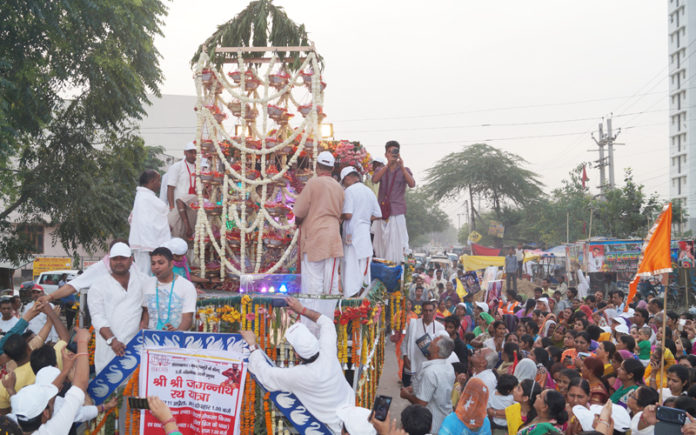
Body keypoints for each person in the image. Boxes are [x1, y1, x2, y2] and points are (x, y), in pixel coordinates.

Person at [241, 297, 354, 434]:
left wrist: (252, 346)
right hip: (352, 415)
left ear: (296, 354)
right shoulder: (327, 351)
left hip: (333, 429)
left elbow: (266, 375)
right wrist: (302, 310)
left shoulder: (300, 375)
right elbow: (327, 322)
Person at [11, 328, 90, 434]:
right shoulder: (54, 428)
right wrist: (82, 342)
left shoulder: (27, 399)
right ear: (45, 414)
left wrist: (10, 389)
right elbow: (87, 405)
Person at [87, 242, 147, 373]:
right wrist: (112, 340)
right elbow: (97, 317)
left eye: (123, 258)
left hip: (135, 351)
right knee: (110, 392)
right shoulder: (98, 285)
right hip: (108, 351)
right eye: (115, 259)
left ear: (131, 260)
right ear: (109, 260)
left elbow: (147, 308)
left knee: (134, 391)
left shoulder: (142, 281)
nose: (119, 262)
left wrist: (144, 330)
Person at [293, 151, 344, 295]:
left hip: (315, 238)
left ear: (316, 167)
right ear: (332, 169)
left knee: (313, 281)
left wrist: (299, 222)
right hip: (333, 238)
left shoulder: (313, 183)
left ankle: (312, 315)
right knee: (331, 282)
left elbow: (299, 212)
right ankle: (329, 316)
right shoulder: (338, 187)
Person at [339, 166, 381, 297]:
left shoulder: (349, 191)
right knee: (363, 269)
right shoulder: (369, 192)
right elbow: (378, 214)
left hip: (352, 235)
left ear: (347, 178)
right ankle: (362, 300)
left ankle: (351, 300)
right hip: (364, 235)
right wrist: (364, 219)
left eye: (344, 182)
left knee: (350, 269)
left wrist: (338, 216)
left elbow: (348, 215)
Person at [400, 335, 455, 433]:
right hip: (444, 419)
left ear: (437, 348)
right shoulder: (448, 366)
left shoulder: (431, 372)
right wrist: (414, 388)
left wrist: (407, 395)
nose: (430, 341)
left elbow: (421, 403)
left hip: (432, 423)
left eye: (434, 340)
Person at [372, 140, 415, 264]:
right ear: (386, 154)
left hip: (397, 213)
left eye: (395, 152)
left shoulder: (404, 170)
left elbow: (412, 184)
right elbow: (375, 180)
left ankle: (397, 273)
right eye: (390, 152)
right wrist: (387, 165)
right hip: (382, 213)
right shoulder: (381, 169)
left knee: (399, 247)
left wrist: (401, 166)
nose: (393, 155)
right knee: (381, 247)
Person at [142, 247, 197, 331]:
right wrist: (143, 326)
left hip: (176, 340)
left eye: (160, 263)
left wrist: (176, 333)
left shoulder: (187, 286)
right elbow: (146, 311)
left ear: (171, 264)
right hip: (151, 339)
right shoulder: (147, 284)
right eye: (153, 263)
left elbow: (188, 318)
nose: (156, 267)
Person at [129, 170, 171, 275]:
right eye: (158, 181)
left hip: (146, 244)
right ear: (152, 181)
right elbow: (144, 224)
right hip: (146, 246)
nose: (160, 184)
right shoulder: (145, 198)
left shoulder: (144, 196)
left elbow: (132, 219)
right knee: (144, 274)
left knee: (147, 275)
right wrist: (150, 246)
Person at [402, 300, 444, 387]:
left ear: (434, 311)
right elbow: (405, 342)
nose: (428, 313)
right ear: (422, 311)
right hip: (415, 362)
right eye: (425, 310)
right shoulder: (414, 324)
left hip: (431, 364)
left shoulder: (440, 327)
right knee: (412, 390)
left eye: (430, 310)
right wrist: (405, 356)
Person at [166, 141, 199, 239]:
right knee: (175, 231)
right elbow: (170, 188)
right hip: (178, 203)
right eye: (191, 152)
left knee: (190, 233)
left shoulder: (199, 168)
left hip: (192, 203)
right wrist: (171, 206)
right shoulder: (177, 166)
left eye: (195, 153)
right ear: (185, 152)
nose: (193, 155)